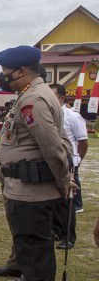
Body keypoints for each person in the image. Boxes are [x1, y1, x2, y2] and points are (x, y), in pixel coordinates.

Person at [0, 46, 76, 281]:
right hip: (25, 188)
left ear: (21, 71)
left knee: (35, 254)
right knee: (33, 252)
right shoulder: (32, 95)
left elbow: (53, 148)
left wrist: (64, 181)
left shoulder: (34, 100)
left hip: (32, 192)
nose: (2, 77)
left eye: (5, 72)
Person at [50, 83, 87, 250]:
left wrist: (77, 160)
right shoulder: (48, 114)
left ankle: (68, 236)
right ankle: (55, 230)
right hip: (53, 162)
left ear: (62, 98)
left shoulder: (72, 116)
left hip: (68, 161)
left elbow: (83, 142)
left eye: (53, 96)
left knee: (67, 201)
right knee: (53, 199)